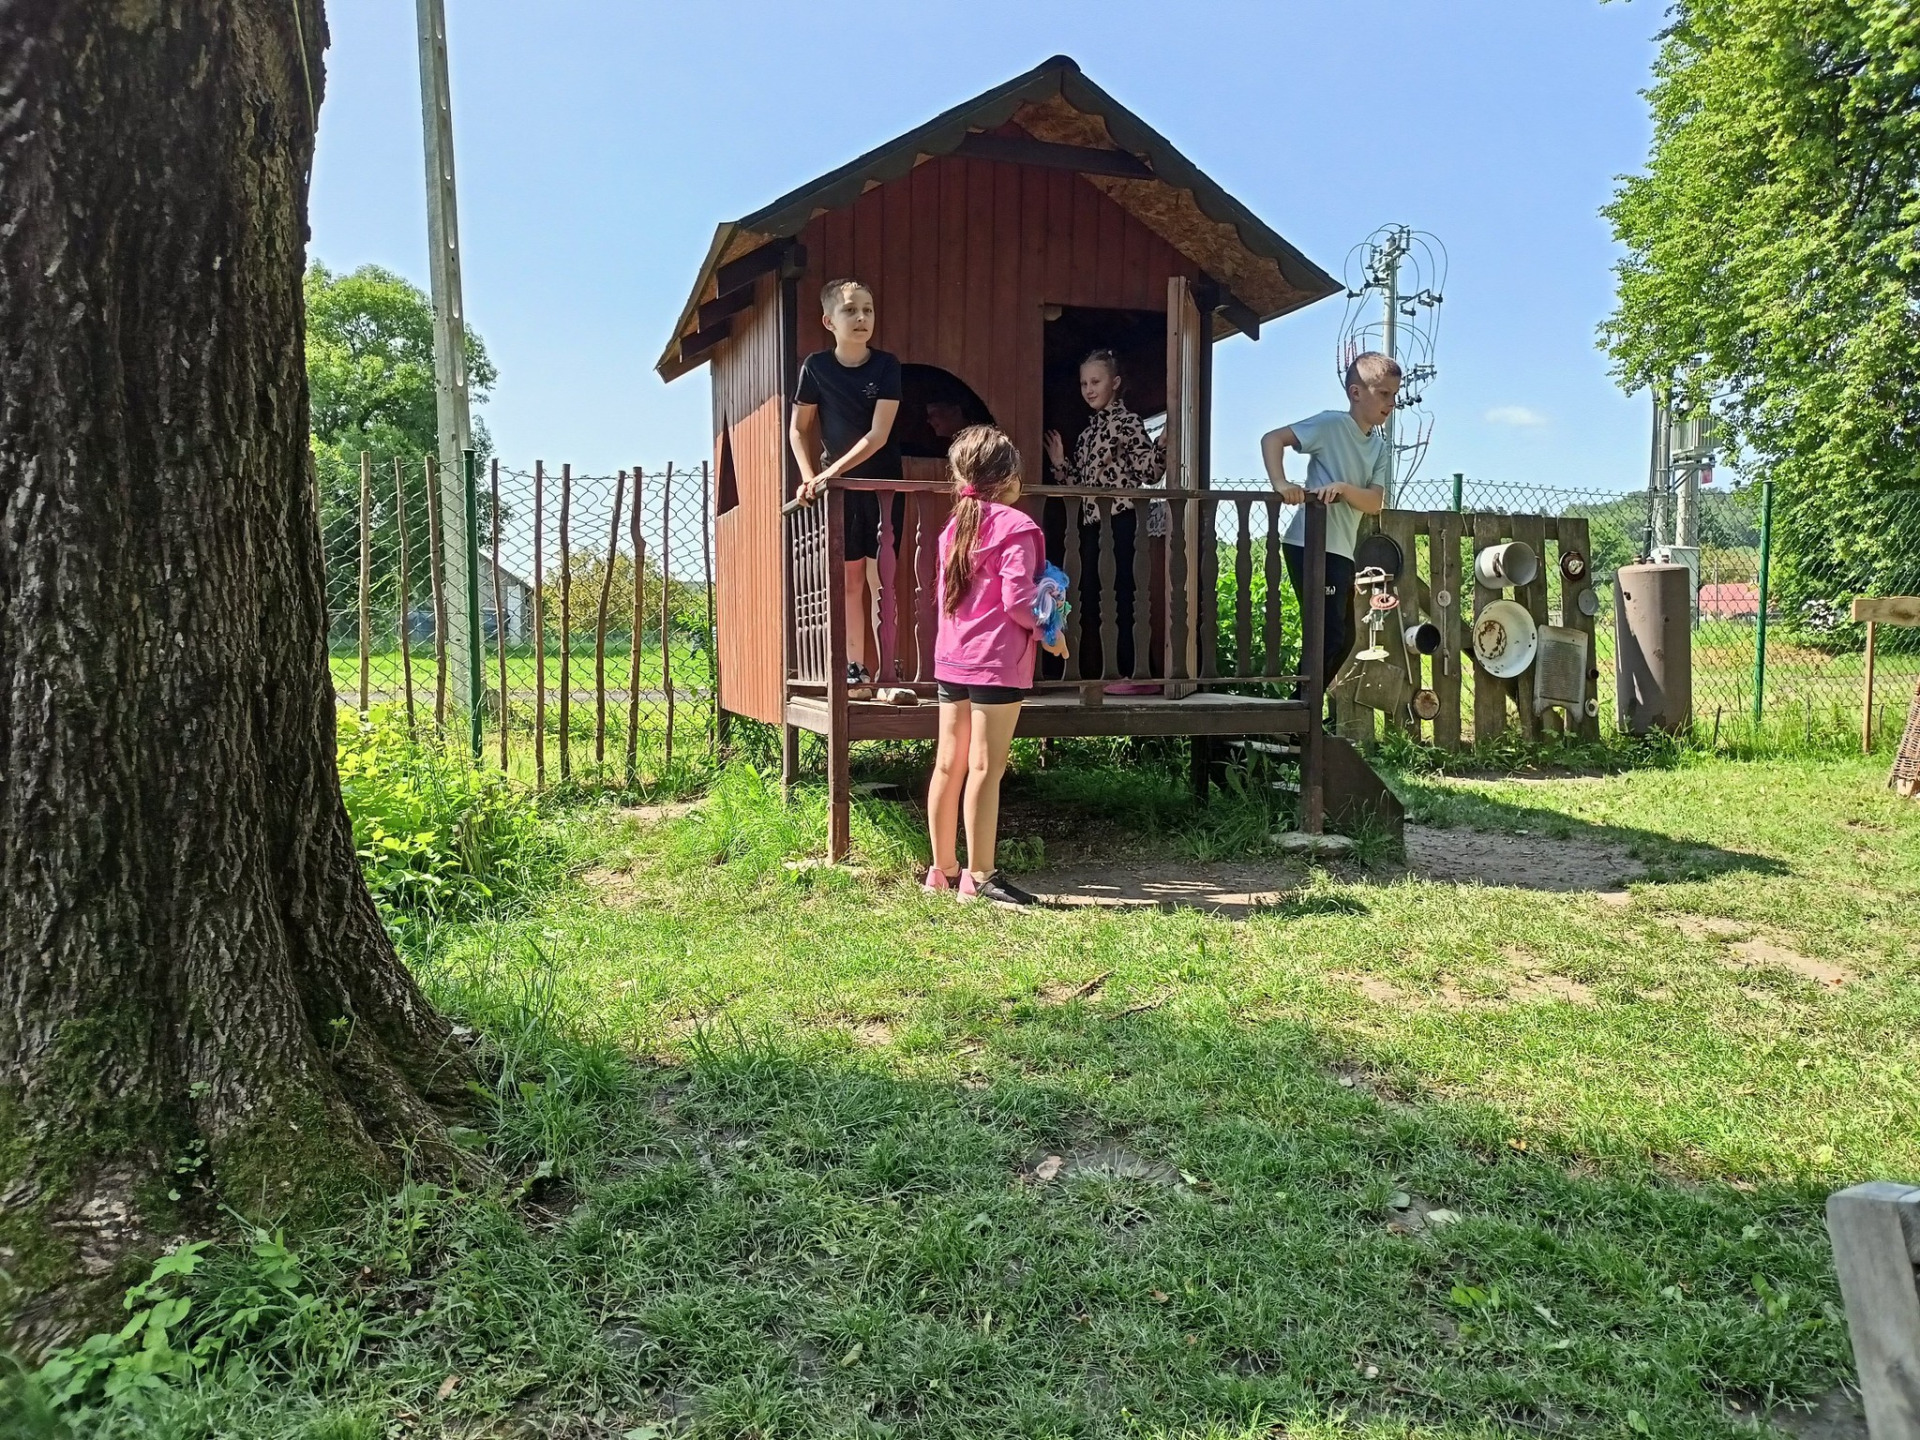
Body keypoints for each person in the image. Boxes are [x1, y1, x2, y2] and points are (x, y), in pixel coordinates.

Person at [925, 425, 1065, 907]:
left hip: (952, 659)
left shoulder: (953, 528)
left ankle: (942, 870)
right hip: (996, 661)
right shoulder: (1017, 527)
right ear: (1009, 477)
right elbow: (1020, 602)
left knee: (949, 764)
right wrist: (1050, 633)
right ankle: (981, 876)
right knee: (986, 766)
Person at [789, 278, 903, 692]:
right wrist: (810, 477)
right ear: (829, 321)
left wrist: (828, 474)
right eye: (851, 310)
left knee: (881, 580)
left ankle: (888, 672)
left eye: (868, 310)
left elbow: (878, 436)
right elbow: (798, 429)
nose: (861, 318)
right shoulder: (815, 368)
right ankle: (856, 669)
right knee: (850, 580)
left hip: (883, 486)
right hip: (838, 492)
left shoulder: (887, 365)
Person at [1260, 351, 1399, 690]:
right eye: (1384, 393)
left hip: (1340, 551)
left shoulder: (1380, 448)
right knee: (1328, 633)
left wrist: (1344, 489)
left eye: (1395, 395)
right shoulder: (1331, 425)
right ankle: (1301, 709)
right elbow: (1272, 439)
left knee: (1344, 638)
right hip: (1308, 543)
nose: (1391, 403)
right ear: (1356, 393)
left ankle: (1301, 706)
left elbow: (1374, 502)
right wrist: (1282, 484)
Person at [1043, 349, 1164, 689]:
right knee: (1095, 599)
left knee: (1125, 597)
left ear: (1116, 382)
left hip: (1123, 522)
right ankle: (1111, 672)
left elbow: (1149, 472)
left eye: (1095, 382)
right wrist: (1059, 462)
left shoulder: (1128, 423)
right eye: (1084, 383)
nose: (1089, 389)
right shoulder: (1086, 434)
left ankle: (1138, 675)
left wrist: (1163, 445)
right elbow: (1078, 488)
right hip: (1092, 526)